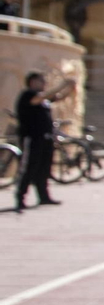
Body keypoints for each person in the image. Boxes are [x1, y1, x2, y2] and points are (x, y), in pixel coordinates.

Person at [12, 71, 73, 211]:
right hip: (32, 138)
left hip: (46, 138)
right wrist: (61, 85)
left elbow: (58, 97)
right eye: (41, 80)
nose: (44, 83)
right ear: (32, 82)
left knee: (44, 168)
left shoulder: (44, 101)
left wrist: (69, 87)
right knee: (29, 168)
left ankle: (44, 196)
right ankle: (20, 198)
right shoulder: (27, 95)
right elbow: (40, 97)